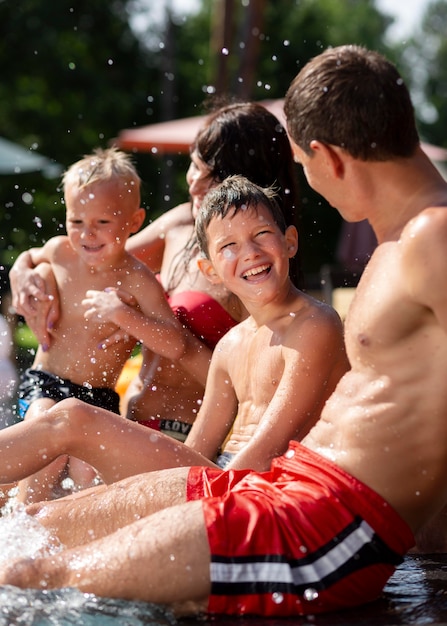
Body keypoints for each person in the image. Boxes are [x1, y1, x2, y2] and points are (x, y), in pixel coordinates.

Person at [6, 43, 447, 618]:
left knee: (40, 573)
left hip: (323, 526)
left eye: (304, 168)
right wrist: (29, 264)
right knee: (30, 531)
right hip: (282, 487)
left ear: (329, 157)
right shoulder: (406, 241)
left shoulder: (432, 238)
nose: (307, 185)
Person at [0, 175, 348, 498]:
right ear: (209, 271)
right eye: (229, 244)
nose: (250, 253)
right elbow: (196, 449)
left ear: (289, 242)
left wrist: (177, 497)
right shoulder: (231, 345)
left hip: (253, 491)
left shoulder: (314, 323)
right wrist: (128, 496)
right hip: (218, 477)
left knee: (73, 416)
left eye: (260, 235)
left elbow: (268, 448)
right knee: (50, 515)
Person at [9, 102, 301, 442]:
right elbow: (94, 261)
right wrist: (25, 268)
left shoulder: (256, 264)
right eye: (194, 166)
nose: (194, 184)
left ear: (246, 182)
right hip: (128, 414)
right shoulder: (180, 223)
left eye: (212, 176)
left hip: (181, 433)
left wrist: (145, 324)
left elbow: (249, 387)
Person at [14, 147, 210, 503]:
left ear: (134, 222)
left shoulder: (137, 280)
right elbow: (28, 261)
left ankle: (67, 533)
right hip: (47, 383)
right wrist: (22, 271)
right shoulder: (59, 253)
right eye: (76, 221)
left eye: (102, 222)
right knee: (45, 434)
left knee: (87, 470)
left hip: (99, 397)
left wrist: (124, 315)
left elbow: (175, 345)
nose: (87, 234)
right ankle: (20, 522)